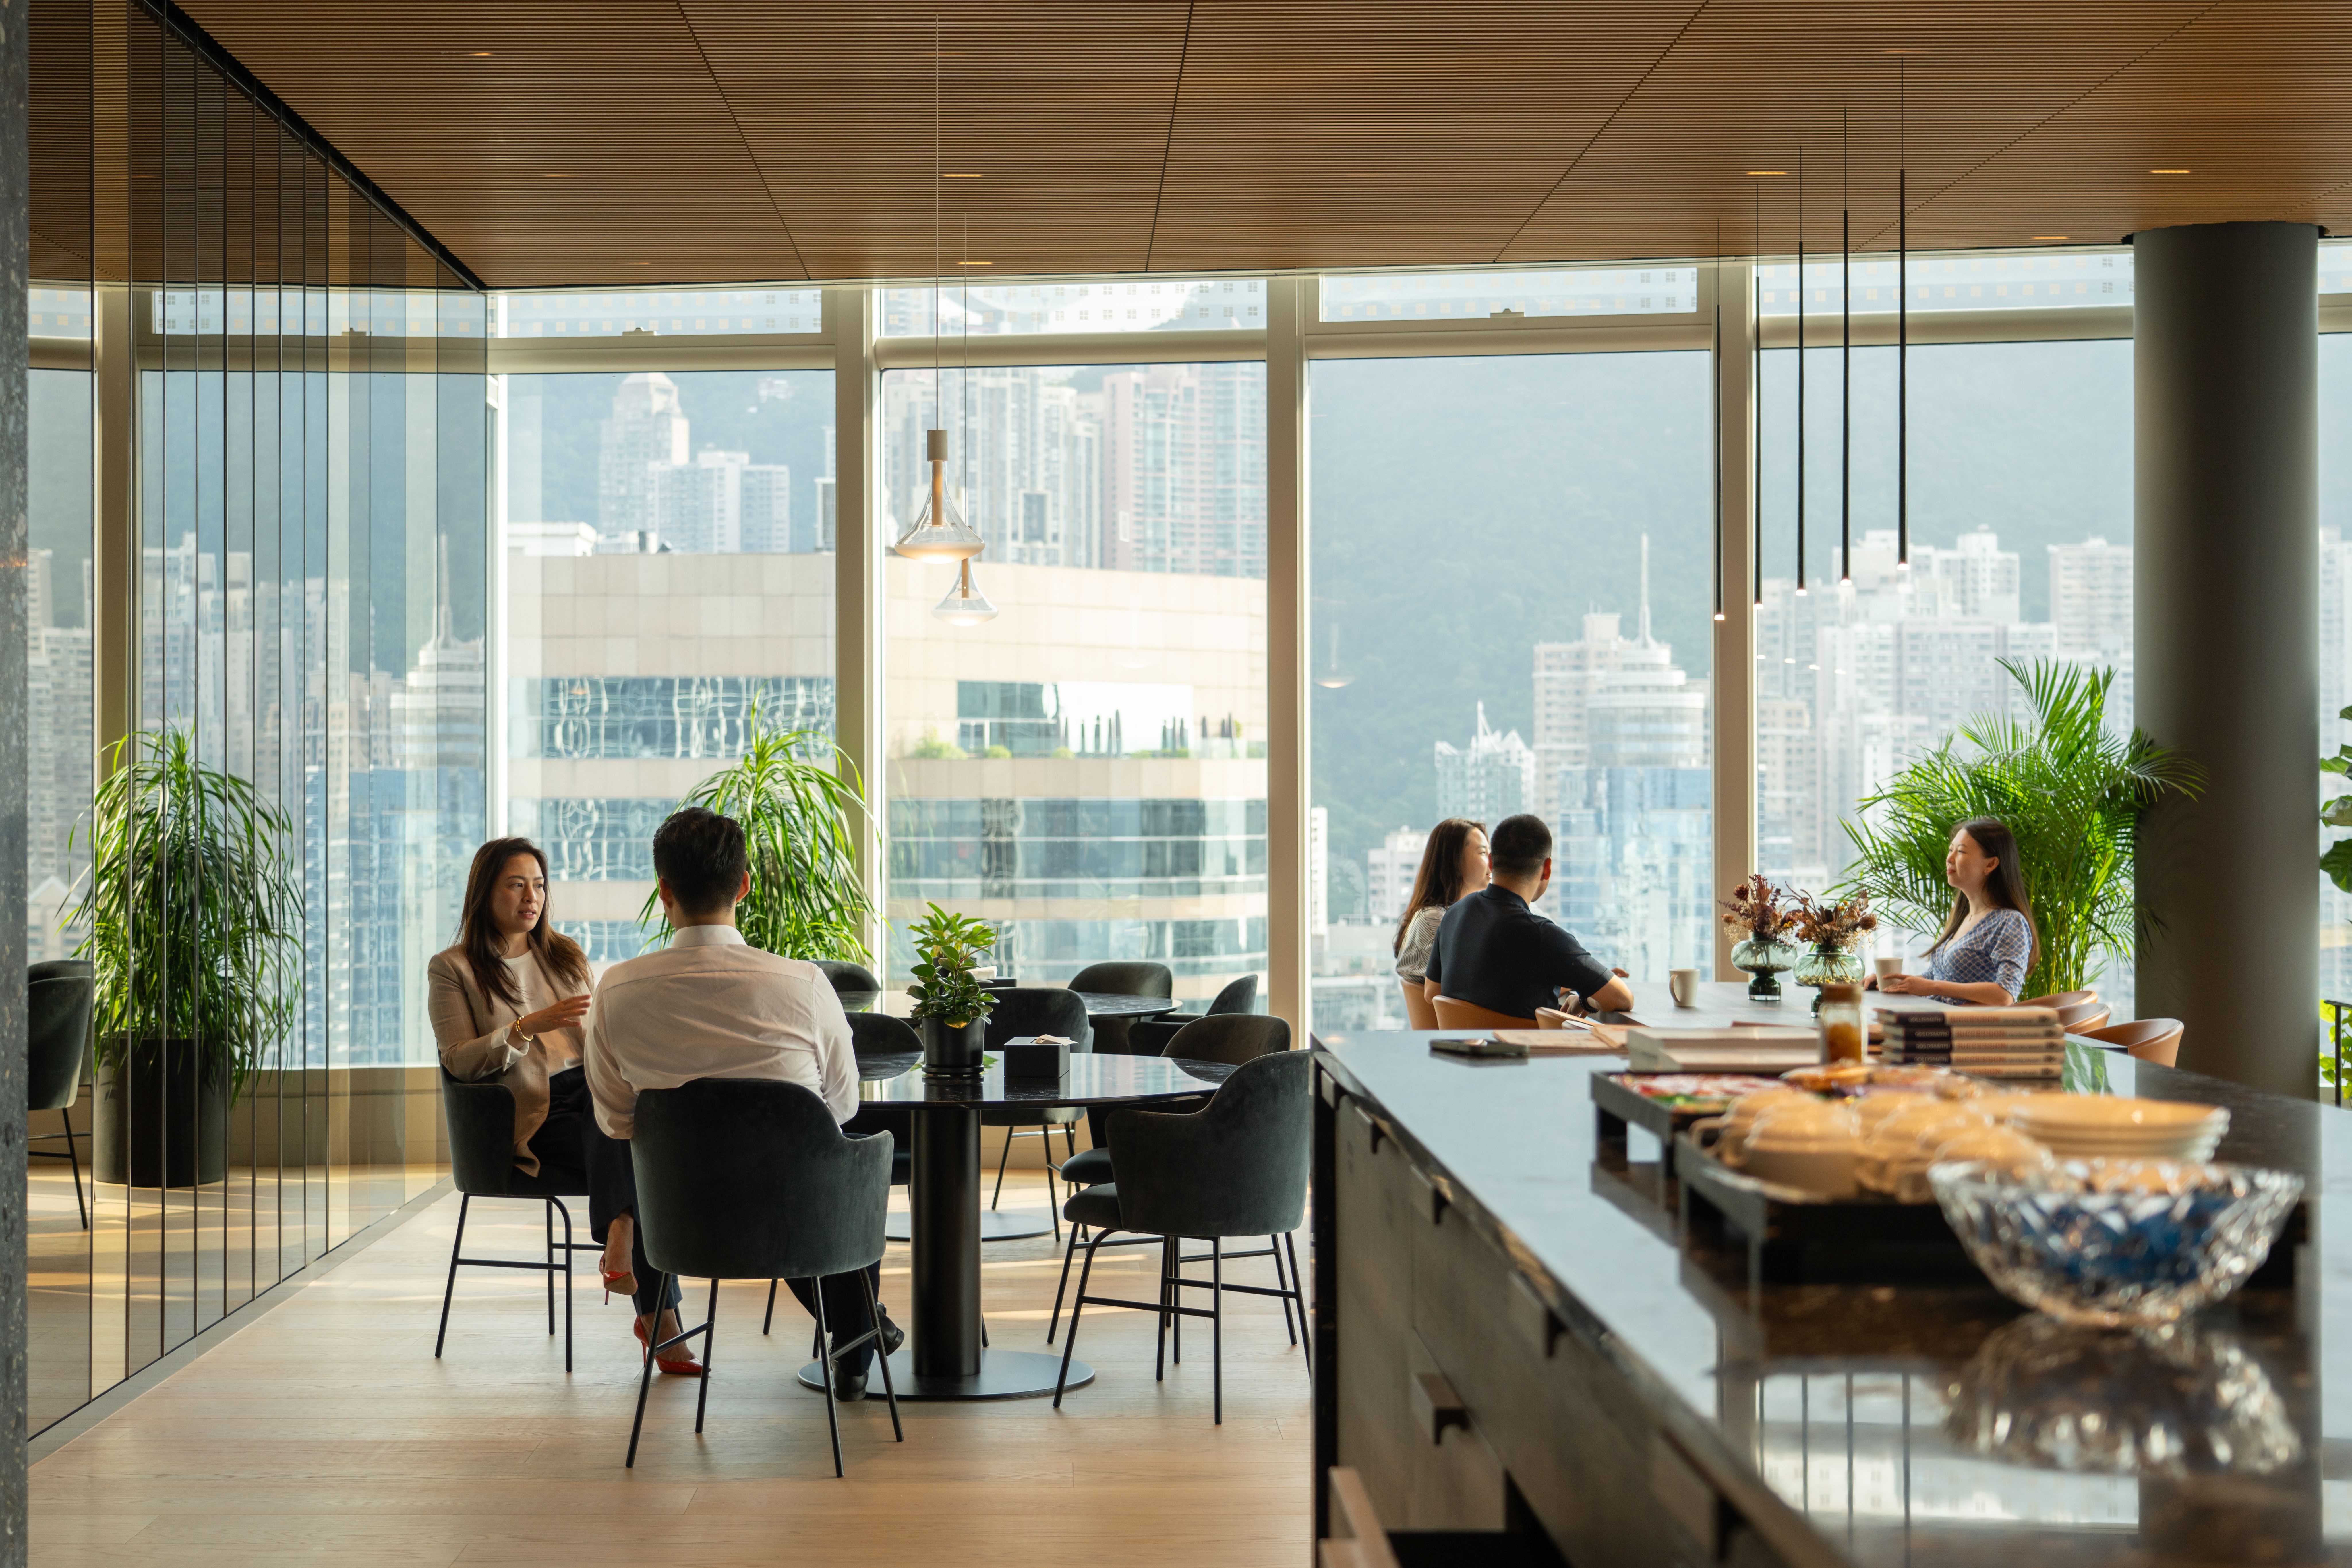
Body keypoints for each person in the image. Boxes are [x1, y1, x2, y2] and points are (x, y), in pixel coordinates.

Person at [582, 805, 900, 1400]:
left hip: (677, 1222)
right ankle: (856, 1339)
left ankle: (861, 1328)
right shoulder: (803, 984)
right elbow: (844, 1104)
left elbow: (615, 1118)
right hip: (799, 1218)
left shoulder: (617, 990)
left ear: (663, 890)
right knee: (851, 1156)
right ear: (746, 885)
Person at [428, 839, 696, 1374]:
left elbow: (602, 1040)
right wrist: (528, 1027)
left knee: (625, 1112)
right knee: (626, 1137)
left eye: (540, 884)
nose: (533, 896)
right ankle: (653, 1306)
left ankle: (623, 1237)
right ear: (486, 892)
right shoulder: (452, 968)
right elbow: (459, 1061)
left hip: (591, 1088)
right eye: (516, 884)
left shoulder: (565, 953)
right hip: (531, 1113)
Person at [1424, 813, 1633, 1020]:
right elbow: (1623, 999)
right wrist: (1588, 998)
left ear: (1491, 862)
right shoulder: (1544, 935)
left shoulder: (1454, 914)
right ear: (1547, 868)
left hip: (1463, 1051)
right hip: (1528, 1053)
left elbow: (1433, 992)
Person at [1874, 817, 2039, 1006]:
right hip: (1936, 1023)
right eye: (1951, 850)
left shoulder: (2009, 922)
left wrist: (1935, 987)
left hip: (1966, 1032)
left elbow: (2005, 995)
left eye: (1960, 851)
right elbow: (1934, 977)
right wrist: (1888, 982)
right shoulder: (1964, 918)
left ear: (1991, 865)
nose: (1949, 858)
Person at [1393, 818, 1489, 991]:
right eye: (1483, 853)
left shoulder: (1450, 915)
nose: (1493, 862)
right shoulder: (1435, 920)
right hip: (1457, 1018)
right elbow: (1469, 989)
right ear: (1455, 860)